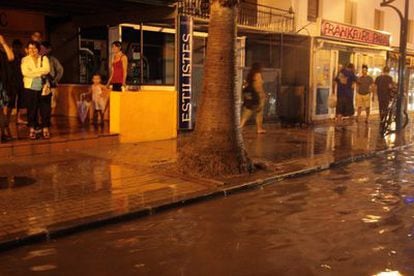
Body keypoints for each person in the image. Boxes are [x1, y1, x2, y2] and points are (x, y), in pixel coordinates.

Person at [21, 40, 51, 140]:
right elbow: (25, 73)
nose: (32, 50)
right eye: (30, 48)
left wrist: (33, 72)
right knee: (32, 110)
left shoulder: (44, 58)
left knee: (45, 109)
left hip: (44, 88)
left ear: (38, 49)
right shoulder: (25, 60)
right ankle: (32, 129)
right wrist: (39, 73)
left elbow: (46, 70)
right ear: (27, 50)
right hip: (30, 87)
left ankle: (45, 128)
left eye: (34, 48)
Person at [240, 62, 267, 134]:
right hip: (257, 96)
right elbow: (258, 87)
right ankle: (259, 128)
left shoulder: (249, 75)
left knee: (247, 112)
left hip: (251, 96)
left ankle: (240, 126)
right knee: (258, 112)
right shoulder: (257, 75)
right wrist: (262, 95)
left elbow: (246, 85)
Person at [41, 41, 64, 114]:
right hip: (40, 83)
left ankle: (49, 117)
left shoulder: (52, 59)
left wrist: (55, 80)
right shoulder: (38, 58)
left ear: (49, 49)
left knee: (51, 102)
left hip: (50, 83)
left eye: (43, 48)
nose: (41, 50)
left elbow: (60, 70)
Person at [0, 34, 14, 142]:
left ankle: (3, 133)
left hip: (2, 84)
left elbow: (11, 57)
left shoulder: (2, 52)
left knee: (2, 111)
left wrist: (3, 43)